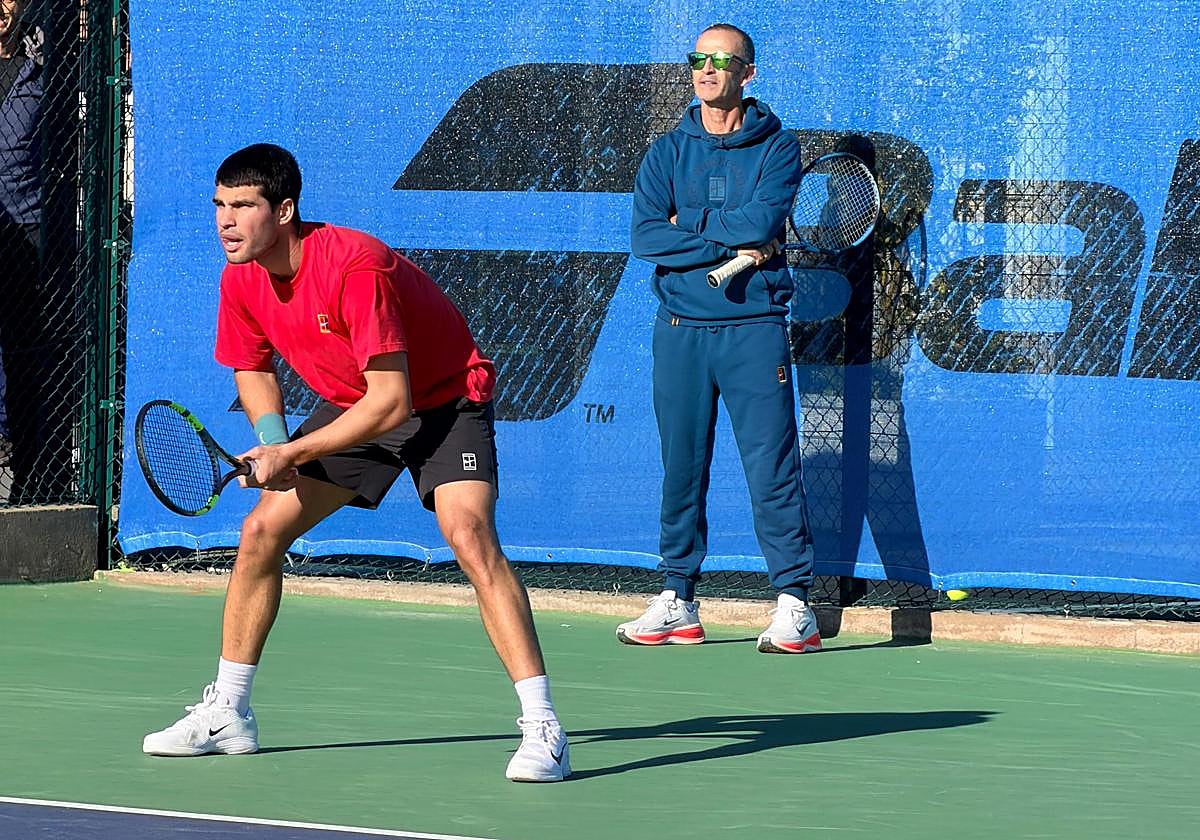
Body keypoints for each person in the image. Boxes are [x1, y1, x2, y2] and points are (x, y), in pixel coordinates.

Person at [142, 143, 570, 782]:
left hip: (440, 402)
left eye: (242, 206)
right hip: (352, 405)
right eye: (219, 206)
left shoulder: (353, 267)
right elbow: (252, 365)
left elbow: (393, 402)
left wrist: (293, 452)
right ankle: (229, 711)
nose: (225, 221)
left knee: (471, 537)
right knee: (261, 531)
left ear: (284, 210)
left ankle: (544, 729)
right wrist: (273, 440)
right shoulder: (241, 274)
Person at [621, 23, 820, 653]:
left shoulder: (778, 148)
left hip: (754, 332)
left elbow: (761, 222)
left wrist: (692, 225)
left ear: (747, 73)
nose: (706, 70)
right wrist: (725, 236)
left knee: (771, 468)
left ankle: (795, 604)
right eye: (698, 59)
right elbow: (647, 237)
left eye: (721, 61)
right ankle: (677, 598)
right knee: (681, 469)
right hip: (679, 332)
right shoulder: (665, 153)